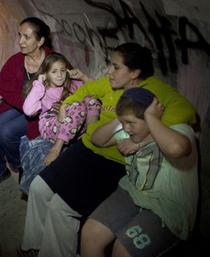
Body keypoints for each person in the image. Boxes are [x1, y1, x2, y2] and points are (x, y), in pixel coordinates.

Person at [18, 43, 197, 257]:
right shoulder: (109, 84)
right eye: (109, 66)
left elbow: (187, 114)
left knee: (60, 208)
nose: (109, 72)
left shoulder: (157, 93)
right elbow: (86, 91)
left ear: (134, 73)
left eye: (115, 67)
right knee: (38, 187)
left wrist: (144, 137)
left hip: (115, 162)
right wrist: (67, 104)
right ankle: (33, 247)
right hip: (88, 147)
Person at [81, 87, 198, 257]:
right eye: (124, 123)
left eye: (131, 123)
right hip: (133, 192)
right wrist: (120, 118)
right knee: (90, 234)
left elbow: (177, 148)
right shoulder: (128, 133)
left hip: (167, 208)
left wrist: (150, 118)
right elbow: (97, 139)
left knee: (122, 250)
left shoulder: (176, 130)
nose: (126, 128)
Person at [0, 17, 54, 191]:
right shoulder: (15, 61)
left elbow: (66, 86)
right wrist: (25, 104)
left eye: (27, 37)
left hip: (42, 110)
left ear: (40, 41)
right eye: (20, 36)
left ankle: (21, 164)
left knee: (7, 132)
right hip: (17, 105)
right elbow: (5, 87)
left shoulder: (54, 61)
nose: (21, 41)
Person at [20, 53, 100, 193]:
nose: (60, 75)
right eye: (54, 71)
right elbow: (28, 110)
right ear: (46, 73)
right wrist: (38, 84)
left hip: (76, 126)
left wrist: (83, 77)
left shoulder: (73, 84)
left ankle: (92, 135)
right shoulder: (44, 91)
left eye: (63, 70)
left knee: (90, 99)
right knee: (78, 106)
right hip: (51, 126)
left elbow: (99, 91)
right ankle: (56, 149)